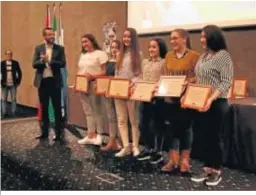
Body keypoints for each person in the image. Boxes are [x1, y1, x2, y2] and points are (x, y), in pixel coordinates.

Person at [189, 25, 233, 186]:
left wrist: (210, 99)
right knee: (203, 136)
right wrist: (186, 84)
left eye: (204, 36)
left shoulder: (223, 56)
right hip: (201, 103)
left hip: (216, 103)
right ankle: (207, 167)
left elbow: (226, 81)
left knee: (215, 137)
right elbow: (200, 78)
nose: (201, 39)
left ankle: (216, 170)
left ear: (213, 37)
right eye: (200, 36)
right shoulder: (204, 56)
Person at [160, 29, 200, 173]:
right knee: (171, 130)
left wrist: (188, 82)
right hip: (170, 99)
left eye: (175, 38)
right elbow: (164, 75)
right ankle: (173, 160)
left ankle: (184, 161)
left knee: (186, 130)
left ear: (184, 39)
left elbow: (199, 77)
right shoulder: (169, 56)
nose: (172, 41)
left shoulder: (195, 56)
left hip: (186, 100)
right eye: (171, 39)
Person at [136, 38, 168, 164]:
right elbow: (141, 77)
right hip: (144, 97)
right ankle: (148, 148)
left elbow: (165, 79)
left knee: (157, 125)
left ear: (160, 48)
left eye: (154, 47)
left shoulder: (164, 62)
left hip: (158, 98)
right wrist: (137, 85)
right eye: (149, 47)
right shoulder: (144, 62)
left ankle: (158, 151)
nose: (151, 49)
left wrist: (156, 88)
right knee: (143, 125)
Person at [32, 27, 66, 141]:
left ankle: (59, 133)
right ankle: (44, 132)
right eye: (50, 35)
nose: (52, 36)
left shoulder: (59, 48)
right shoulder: (39, 48)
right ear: (44, 37)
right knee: (44, 108)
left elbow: (62, 63)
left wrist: (49, 61)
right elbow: (34, 64)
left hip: (55, 82)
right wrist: (42, 61)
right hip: (43, 82)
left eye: (53, 34)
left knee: (57, 108)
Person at [114, 28, 143, 157]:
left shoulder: (139, 55)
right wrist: (114, 87)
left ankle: (135, 146)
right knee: (121, 119)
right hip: (119, 91)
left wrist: (133, 83)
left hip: (132, 91)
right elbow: (117, 73)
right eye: (124, 36)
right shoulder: (119, 54)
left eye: (129, 37)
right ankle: (126, 146)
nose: (126, 39)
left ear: (134, 39)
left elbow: (140, 74)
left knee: (134, 120)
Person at [76, 34, 108, 146]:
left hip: (94, 84)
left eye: (86, 41)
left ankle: (100, 135)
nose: (84, 44)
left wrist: (93, 76)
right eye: (83, 42)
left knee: (97, 111)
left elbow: (105, 72)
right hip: (82, 85)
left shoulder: (100, 54)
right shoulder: (83, 55)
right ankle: (90, 135)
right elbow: (80, 70)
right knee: (88, 111)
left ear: (92, 41)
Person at [101, 40, 122, 151]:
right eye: (112, 47)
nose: (114, 50)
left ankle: (121, 141)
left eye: (116, 48)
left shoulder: (122, 62)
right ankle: (112, 140)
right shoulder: (108, 63)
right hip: (107, 93)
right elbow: (104, 77)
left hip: (118, 92)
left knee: (120, 117)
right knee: (111, 116)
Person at [1, 49, 22, 118]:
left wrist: (18, 82)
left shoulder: (15, 63)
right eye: (7, 54)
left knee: (13, 99)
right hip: (4, 84)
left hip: (13, 84)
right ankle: (4, 113)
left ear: (11, 55)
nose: (9, 55)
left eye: (10, 54)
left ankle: (13, 113)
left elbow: (20, 73)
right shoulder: (2, 63)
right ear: (5, 55)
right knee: (4, 100)